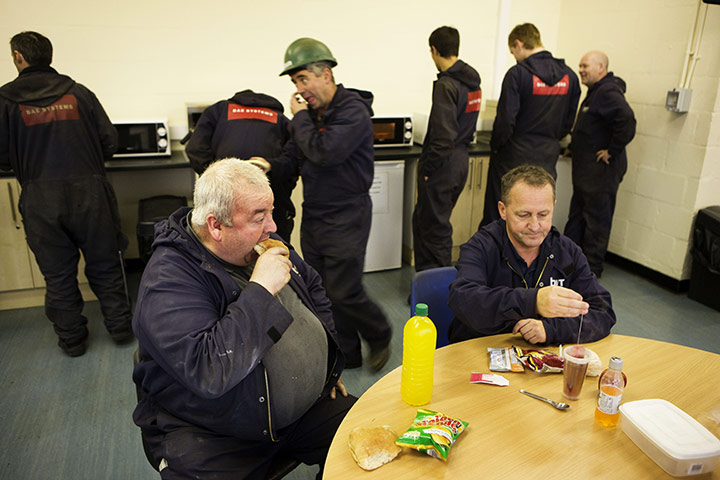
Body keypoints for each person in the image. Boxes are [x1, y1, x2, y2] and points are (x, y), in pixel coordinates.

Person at [132, 159, 355, 479]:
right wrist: (262, 289)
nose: (273, 226)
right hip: (216, 432)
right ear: (216, 226)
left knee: (370, 440)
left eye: (271, 212)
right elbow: (208, 369)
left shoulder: (261, 245)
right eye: (258, 216)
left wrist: (323, 366)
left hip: (303, 410)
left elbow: (313, 286)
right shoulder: (167, 281)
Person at [259, 37, 392, 371]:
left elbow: (324, 152)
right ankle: (348, 353)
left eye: (303, 79)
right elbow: (296, 155)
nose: (300, 89)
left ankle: (380, 332)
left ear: (326, 74)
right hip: (316, 212)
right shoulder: (310, 116)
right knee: (324, 291)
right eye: (295, 82)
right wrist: (270, 166)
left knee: (344, 290)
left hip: (347, 213)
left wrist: (299, 117)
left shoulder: (352, 111)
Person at [0, 31, 132, 356]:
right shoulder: (79, 93)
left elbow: (2, 158)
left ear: (19, 57)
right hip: (91, 196)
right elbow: (110, 143)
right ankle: (120, 329)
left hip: (40, 200)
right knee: (105, 264)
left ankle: (72, 341)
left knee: (58, 274)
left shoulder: (5, 101)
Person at [448, 165, 615, 345]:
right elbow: (464, 300)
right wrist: (534, 301)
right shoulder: (480, 247)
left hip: (542, 359)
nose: (535, 226)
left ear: (553, 207)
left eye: (543, 214)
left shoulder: (567, 252)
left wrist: (551, 330)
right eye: (523, 215)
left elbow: (602, 312)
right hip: (482, 354)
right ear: (502, 210)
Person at [479, 23, 580, 228]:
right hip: (547, 157)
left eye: (513, 51)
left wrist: (496, 147)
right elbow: (569, 121)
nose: (514, 56)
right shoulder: (570, 77)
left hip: (513, 157)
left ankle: (494, 259)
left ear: (519, 43)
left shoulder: (518, 74)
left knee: (502, 215)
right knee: (536, 219)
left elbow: (506, 120)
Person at [412, 26, 482, 272]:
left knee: (432, 229)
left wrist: (428, 169)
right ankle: (431, 282)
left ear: (434, 49)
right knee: (431, 223)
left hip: (443, 164)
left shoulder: (446, 85)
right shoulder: (472, 81)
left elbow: (442, 138)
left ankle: (434, 290)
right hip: (461, 161)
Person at [185, 89, 298, 241]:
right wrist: (270, 169)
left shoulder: (219, 111)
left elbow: (195, 150)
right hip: (271, 207)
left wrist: (218, 180)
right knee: (273, 251)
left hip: (225, 205)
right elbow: (293, 164)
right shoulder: (282, 120)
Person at [564, 51, 636, 278]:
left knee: (596, 222)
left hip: (600, 174)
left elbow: (627, 120)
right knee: (577, 218)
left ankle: (592, 271)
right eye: (580, 65)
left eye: (585, 66)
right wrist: (573, 148)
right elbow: (592, 126)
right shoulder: (595, 92)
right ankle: (570, 264)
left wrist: (611, 151)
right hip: (586, 174)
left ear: (601, 67)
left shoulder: (607, 92)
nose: (581, 70)